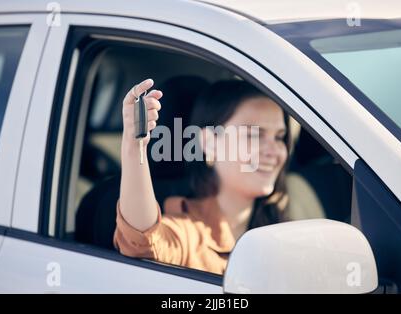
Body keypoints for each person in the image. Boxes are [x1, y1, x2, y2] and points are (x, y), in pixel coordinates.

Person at [114, 78, 290, 274]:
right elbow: (141, 242)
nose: (274, 151)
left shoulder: (283, 232)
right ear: (210, 143)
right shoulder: (188, 234)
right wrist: (134, 145)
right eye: (254, 135)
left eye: (279, 137)